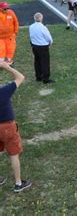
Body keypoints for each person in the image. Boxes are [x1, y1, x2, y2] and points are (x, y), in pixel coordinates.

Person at [0, 62, 32, 192]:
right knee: (14, 154)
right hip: (7, 127)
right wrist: (6, 67)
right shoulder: (3, 91)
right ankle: (18, 183)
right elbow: (20, 77)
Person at [29, 12, 54, 83]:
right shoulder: (43, 27)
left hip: (34, 45)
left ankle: (38, 76)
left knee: (37, 61)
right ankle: (46, 78)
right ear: (41, 18)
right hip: (43, 46)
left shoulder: (31, 26)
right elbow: (48, 37)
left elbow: (31, 36)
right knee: (45, 62)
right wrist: (50, 42)